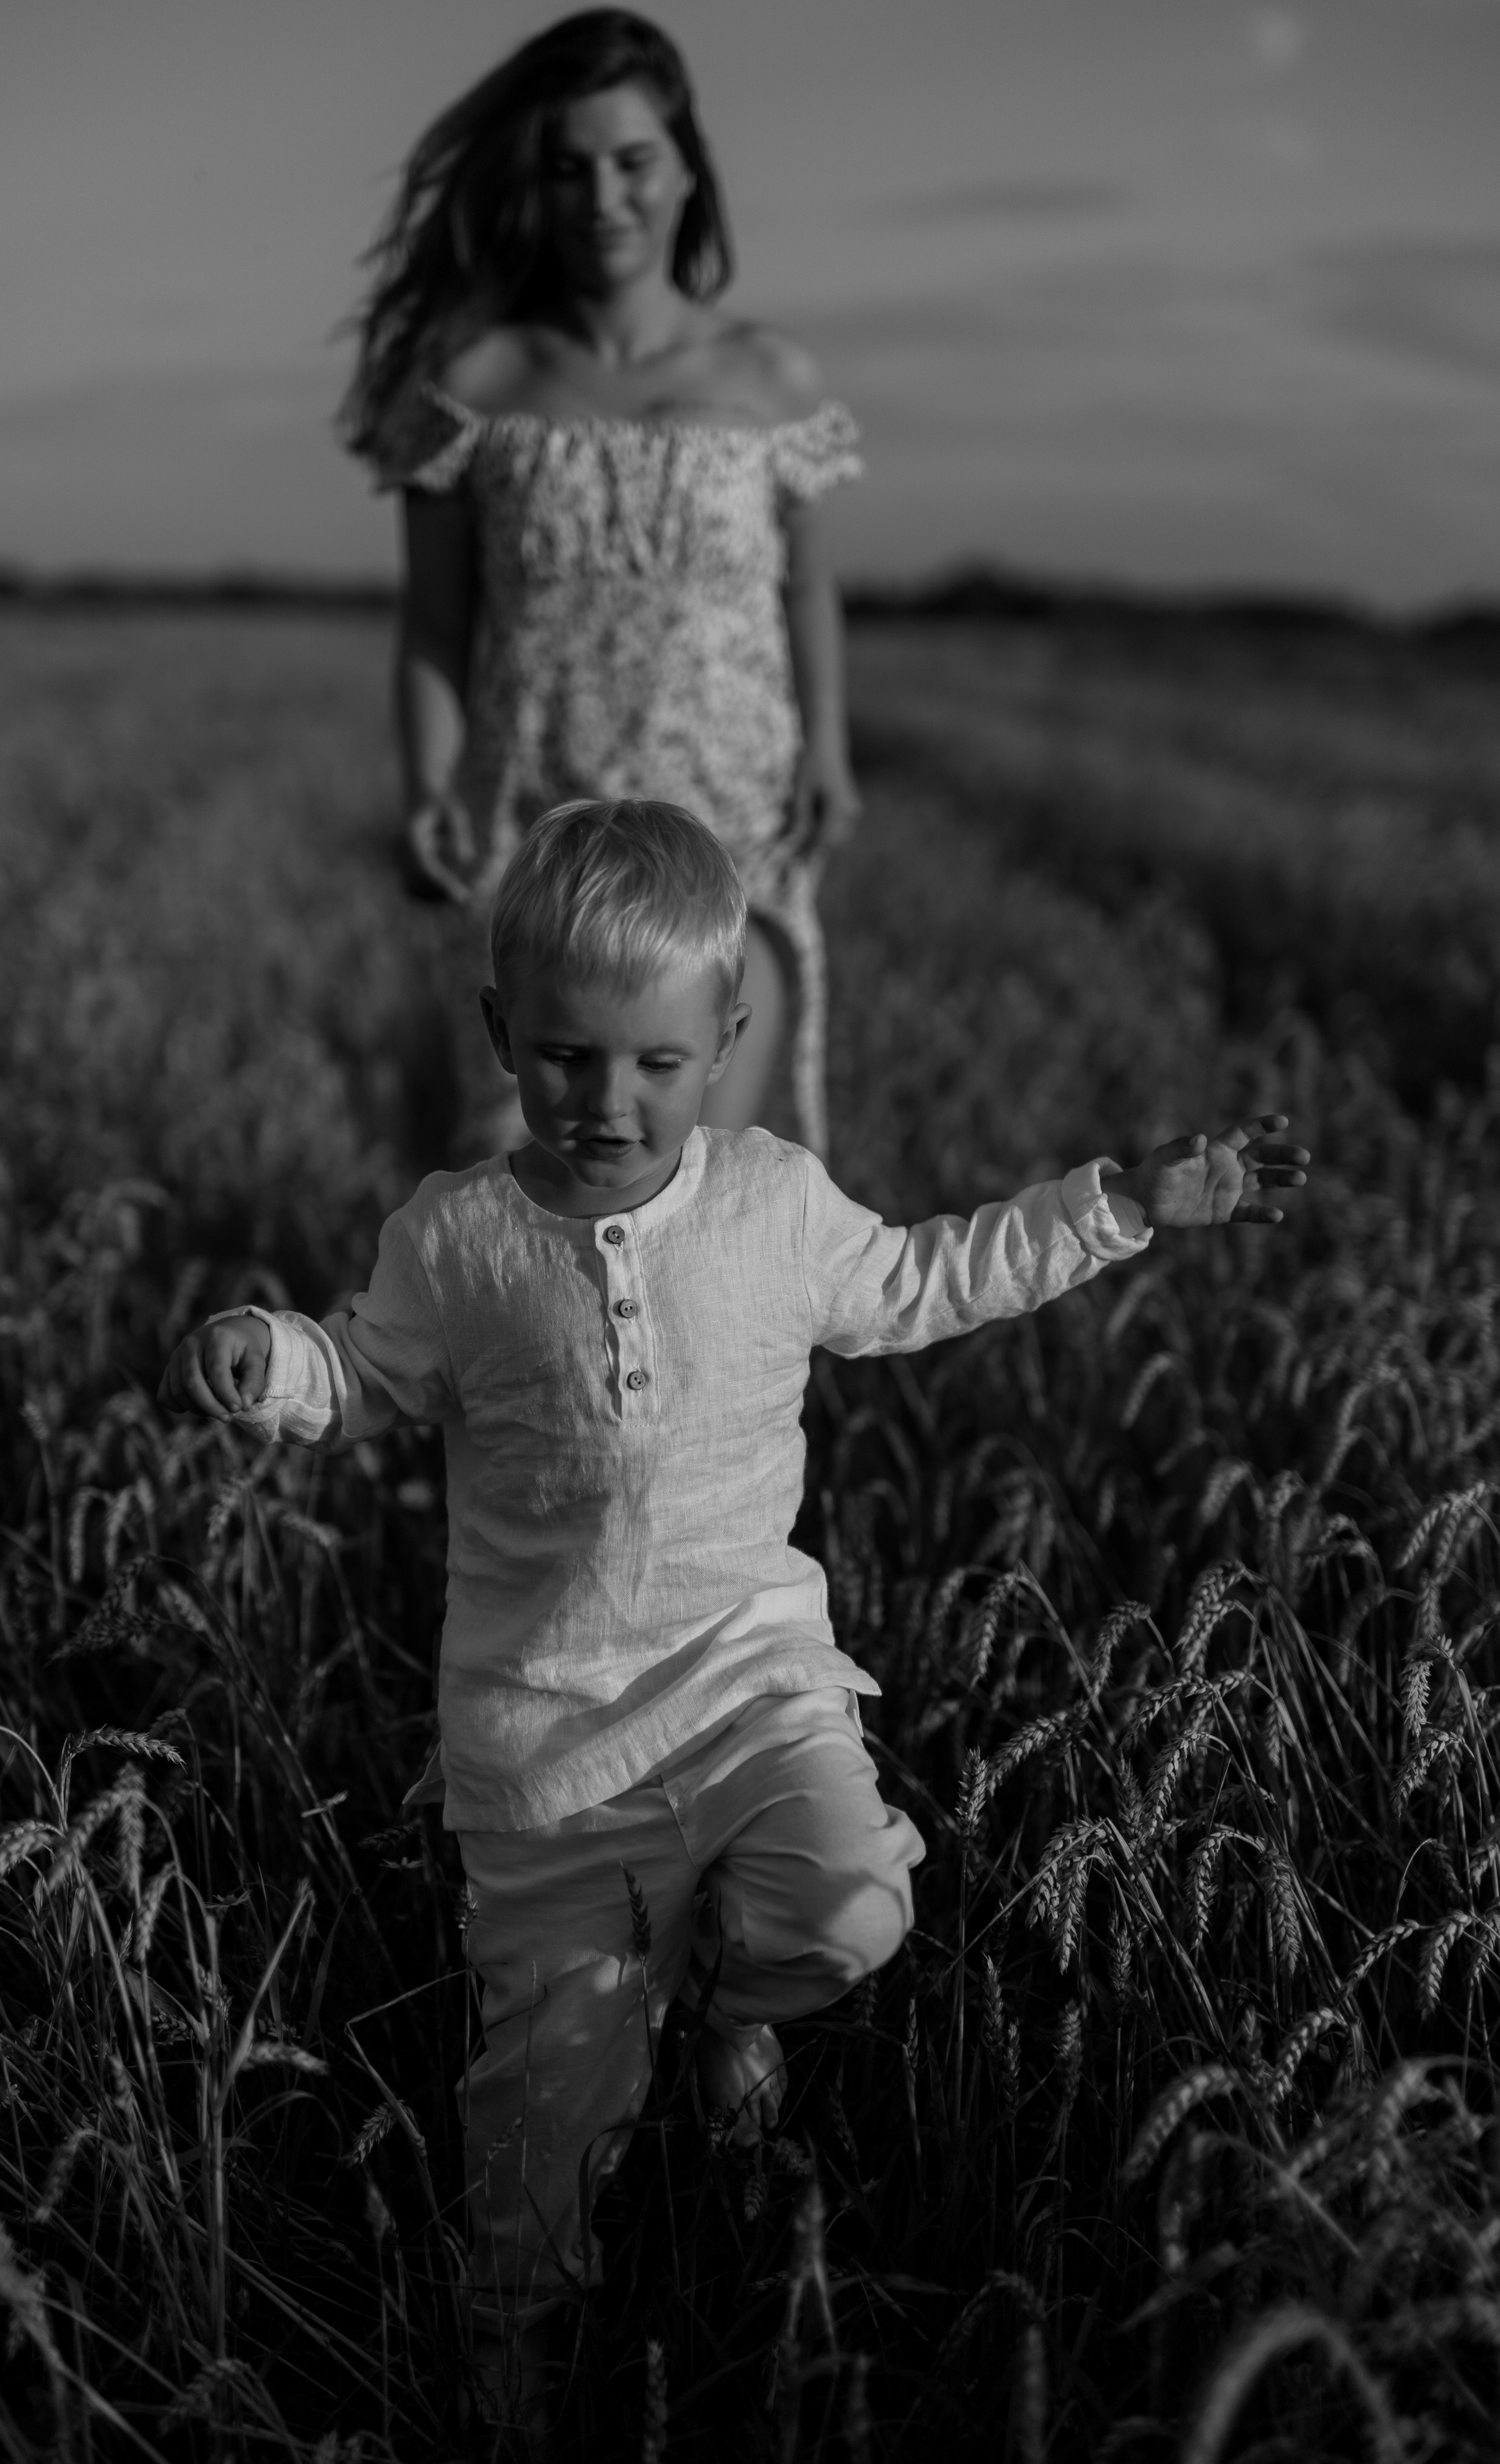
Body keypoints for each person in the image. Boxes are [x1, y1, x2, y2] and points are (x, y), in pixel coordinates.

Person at [157, 800, 1309, 2433]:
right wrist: (269, 1359)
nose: (606, 1103)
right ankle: (508, 2339)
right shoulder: (461, 1239)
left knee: (849, 1910)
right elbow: (361, 1369)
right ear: (498, 1035)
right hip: (549, 1746)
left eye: (653, 1063)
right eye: (561, 1059)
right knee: (547, 2115)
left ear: (728, 1038)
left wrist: (1120, 1199)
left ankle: (738, 2004)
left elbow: (926, 1278)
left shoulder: (773, 1207)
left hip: (747, 1680)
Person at [342, 8, 863, 1163]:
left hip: (733, 838)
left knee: (705, 1208)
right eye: (569, 169)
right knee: (522, 1222)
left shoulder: (771, 378)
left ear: (688, 168)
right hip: (535, 839)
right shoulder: (471, 387)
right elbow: (435, 624)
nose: (604, 198)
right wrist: (428, 786)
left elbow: (809, 590)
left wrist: (826, 746)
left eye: (634, 162)